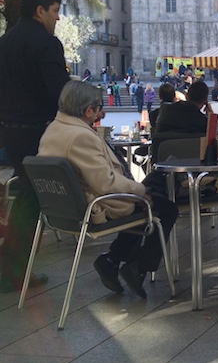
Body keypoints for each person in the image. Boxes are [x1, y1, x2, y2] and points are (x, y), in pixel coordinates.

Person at [38, 81, 178, 298]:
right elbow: (107, 183)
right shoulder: (80, 136)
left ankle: (112, 260)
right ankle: (139, 268)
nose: (100, 114)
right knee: (164, 208)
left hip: (62, 209)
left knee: (145, 201)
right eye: (98, 109)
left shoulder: (52, 130)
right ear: (88, 110)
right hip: (94, 206)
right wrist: (139, 190)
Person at [0, 0, 70, 292]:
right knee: (32, 197)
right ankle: (12, 270)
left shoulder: (4, 42)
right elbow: (60, 92)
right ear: (39, 11)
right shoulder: (46, 43)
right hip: (36, 131)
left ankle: (12, 266)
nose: (57, 17)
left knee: (27, 194)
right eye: (55, 10)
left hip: (9, 130)